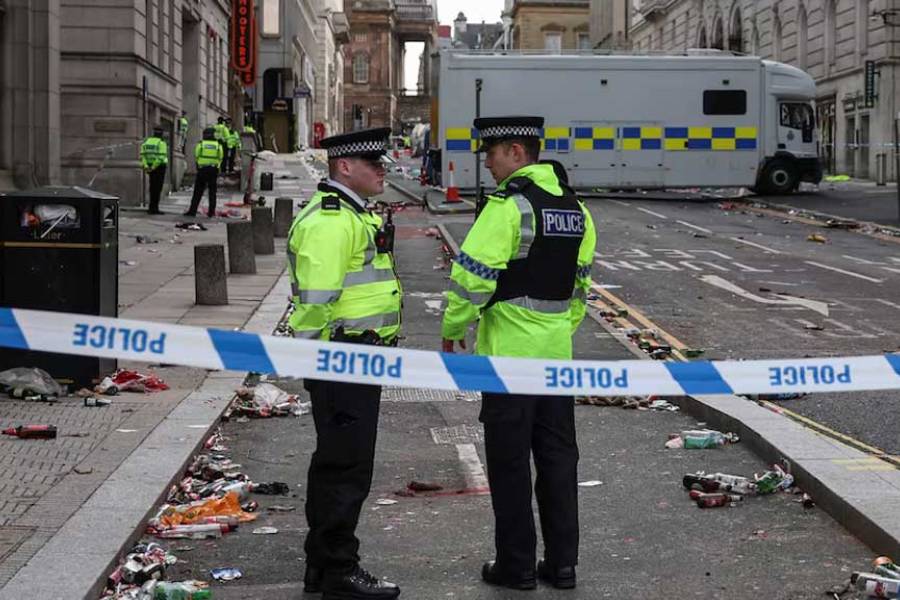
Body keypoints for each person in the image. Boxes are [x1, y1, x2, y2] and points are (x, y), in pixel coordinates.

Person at [440, 116, 596, 591]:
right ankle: (563, 564)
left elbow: (472, 275)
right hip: (556, 357)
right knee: (557, 460)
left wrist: (453, 326)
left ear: (514, 152)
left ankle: (517, 566)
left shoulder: (508, 206)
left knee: (509, 465)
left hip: (508, 359)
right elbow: (581, 286)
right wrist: (556, 330)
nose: (486, 163)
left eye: (490, 153)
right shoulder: (577, 210)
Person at [288, 127, 402, 600]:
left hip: (353, 355)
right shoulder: (333, 221)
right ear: (343, 167)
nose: (383, 170)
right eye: (373, 163)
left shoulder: (350, 215)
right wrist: (315, 356)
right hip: (343, 357)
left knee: (336, 462)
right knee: (346, 468)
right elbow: (315, 301)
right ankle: (339, 570)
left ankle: (322, 566)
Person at [184, 127, 223, 217]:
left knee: (197, 191)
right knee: (212, 192)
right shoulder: (218, 145)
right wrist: (217, 167)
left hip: (202, 170)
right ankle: (211, 212)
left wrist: (199, 165)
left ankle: (192, 211)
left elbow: (196, 155)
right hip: (213, 170)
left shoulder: (201, 144)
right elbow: (220, 157)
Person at [140, 126, 168, 215]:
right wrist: (153, 167)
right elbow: (161, 157)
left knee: (152, 188)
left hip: (149, 166)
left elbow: (142, 156)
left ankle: (151, 208)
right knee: (157, 188)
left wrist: (146, 166)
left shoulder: (147, 142)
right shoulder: (161, 143)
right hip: (159, 167)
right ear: (161, 133)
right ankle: (155, 208)